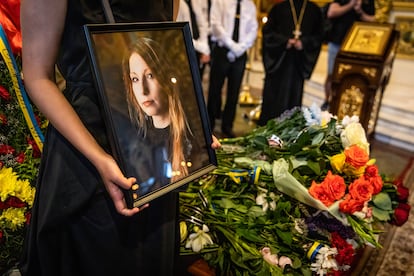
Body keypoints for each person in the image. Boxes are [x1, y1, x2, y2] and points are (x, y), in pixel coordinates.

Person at [18, 1, 220, 276]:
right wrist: (99, 158)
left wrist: (188, 123)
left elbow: (164, 47)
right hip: (87, 159)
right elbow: (37, 76)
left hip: (150, 162)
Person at [120, 37, 210, 196]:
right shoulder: (135, 139)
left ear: (165, 77)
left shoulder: (190, 137)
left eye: (150, 75)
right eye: (135, 79)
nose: (142, 90)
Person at [257, 0, 323, 126]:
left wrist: (303, 43)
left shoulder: (314, 10)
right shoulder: (278, 8)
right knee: (273, 102)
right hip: (279, 62)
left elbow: (319, 37)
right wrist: (284, 42)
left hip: (298, 63)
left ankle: (288, 129)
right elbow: (268, 34)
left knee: (293, 101)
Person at [207, 0, 258, 138]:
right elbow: (216, 25)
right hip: (221, 50)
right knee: (215, 90)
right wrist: (231, 45)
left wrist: (240, 48)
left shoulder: (249, 5)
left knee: (234, 91)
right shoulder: (220, 1)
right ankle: (208, 125)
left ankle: (227, 125)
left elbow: (253, 29)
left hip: (240, 54)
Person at [321, 0, 375, 110]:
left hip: (356, 44)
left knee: (352, 75)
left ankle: (344, 100)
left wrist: (359, 11)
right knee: (332, 73)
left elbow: (373, 19)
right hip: (337, 41)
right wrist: (350, 5)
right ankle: (327, 99)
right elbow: (331, 12)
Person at [176, 0, 211, 78]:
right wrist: (201, 47)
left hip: (198, 48)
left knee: (198, 78)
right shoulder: (177, 3)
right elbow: (179, 32)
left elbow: (202, 24)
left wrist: (205, 48)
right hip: (184, 50)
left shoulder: (196, 2)